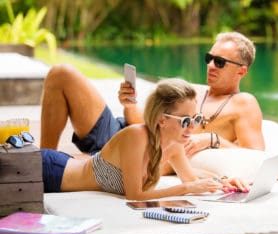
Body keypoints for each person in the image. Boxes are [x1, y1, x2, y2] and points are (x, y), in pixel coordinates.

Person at [40, 31, 264, 158]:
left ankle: (44, 166)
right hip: (123, 132)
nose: (211, 66)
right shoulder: (194, 91)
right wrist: (129, 104)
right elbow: (145, 123)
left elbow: (256, 156)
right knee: (61, 73)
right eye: (209, 58)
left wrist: (212, 139)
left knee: (62, 73)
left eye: (220, 62)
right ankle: (42, 161)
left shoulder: (243, 104)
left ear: (241, 71)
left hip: (138, 152)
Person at [41, 78, 249, 200]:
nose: (193, 127)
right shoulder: (136, 136)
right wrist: (186, 189)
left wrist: (222, 181)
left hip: (59, 170)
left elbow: (192, 180)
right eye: (186, 121)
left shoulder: (174, 145)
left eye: (195, 119)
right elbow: (134, 195)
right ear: (161, 120)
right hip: (51, 172)